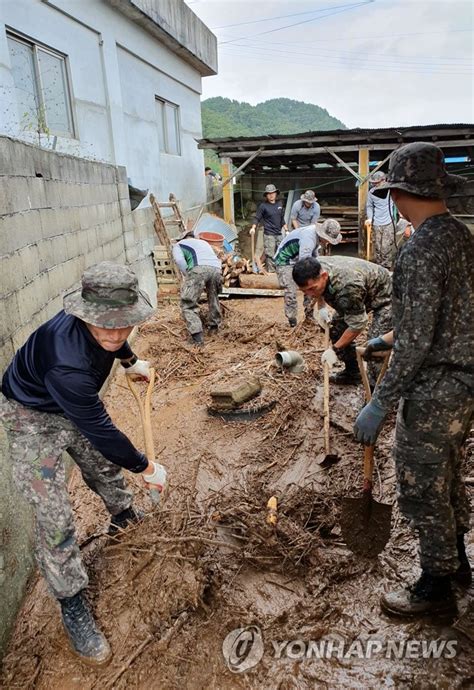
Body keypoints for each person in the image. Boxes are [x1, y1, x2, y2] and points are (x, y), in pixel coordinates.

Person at [0, 262, 166, 665]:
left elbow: (111, 336)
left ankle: (123, 515)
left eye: (122, 324)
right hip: (31, 416)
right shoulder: (66, 361)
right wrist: (146, 467)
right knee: (54, 519)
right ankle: (72, 603)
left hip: (71, 403)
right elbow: (102, 432)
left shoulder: (105, 326)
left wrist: (129, 360)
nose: (113, 332)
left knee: (103, 469)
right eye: (103, 325)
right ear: (83, 314)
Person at [354, 142, 473, 618]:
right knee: (447, 473)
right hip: (466, 384)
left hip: (436, 386)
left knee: (422, 484)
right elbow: (441, 313)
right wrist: (389, 335)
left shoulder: (419, 249)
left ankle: (435, 588)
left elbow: (420, 341)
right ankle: (460, 561)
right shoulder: (463, 237)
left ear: (399, 193)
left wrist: (380, 402)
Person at [292, 256, 392, 384]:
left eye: (312, 289)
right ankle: (353, 374)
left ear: (324, 276)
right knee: (337, 329)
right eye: (304, 291)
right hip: (361, 291)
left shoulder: (347, 287)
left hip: (387, 296)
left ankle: (377, 392)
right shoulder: (314, 267)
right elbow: (315, 290)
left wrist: (334, 350)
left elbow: (358, 324)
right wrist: (322, 307)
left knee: (374, 346)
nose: (309, 294)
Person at [274, 219, 342, 327]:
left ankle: (309, 317)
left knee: (312, 286)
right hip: (285, 261)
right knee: (291, 291)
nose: (328, 242)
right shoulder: (309, 238)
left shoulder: (316, 238)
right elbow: (305, 264)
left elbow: (315, 258)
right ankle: (292, 321)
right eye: (327, 239)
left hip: (299, 259)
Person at [172, 230, 222, 346]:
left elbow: (179, 260)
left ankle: (197, 338)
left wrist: (188, 274)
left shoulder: (179, 245)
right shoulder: (204, 243)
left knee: (188, 304)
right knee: (213, 297)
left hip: (198, 269)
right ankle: (214, 327)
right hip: (216, 269)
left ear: (182, 238)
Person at [249, 184, 287, 272]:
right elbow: (257, 218)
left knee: (280, 253)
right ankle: (271, 272)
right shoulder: (263, 206)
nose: (271, 195)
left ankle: (279, 272)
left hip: (279, 233)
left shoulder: (279, 205)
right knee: (270, 254)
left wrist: (287, 230)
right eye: (269, 193)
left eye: (273, 193)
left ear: (276, 193)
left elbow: (282, 219)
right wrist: (253, 228)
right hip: (269, 234)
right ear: (266, 195)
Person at [365, 170, 397, 269]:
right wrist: (370, 218)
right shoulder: (371, 192)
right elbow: (369, 206)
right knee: (378, 248)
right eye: (374, 183)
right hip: (376, 223)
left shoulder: (391, 190)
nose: (375, 185)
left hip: (388, 222)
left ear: (384, 180)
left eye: (377, 183)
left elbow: (398, 203)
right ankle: (379, 268)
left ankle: (386, 268)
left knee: (385, 248)